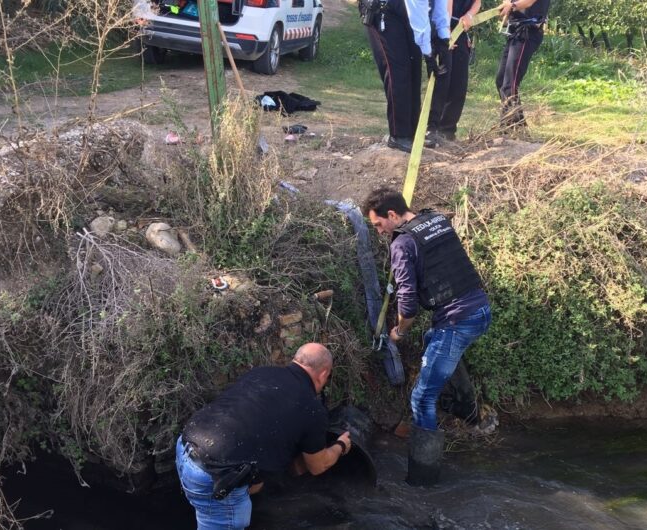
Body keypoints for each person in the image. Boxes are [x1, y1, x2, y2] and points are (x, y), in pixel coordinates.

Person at [361, 187, 491, 486]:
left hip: (458, 322)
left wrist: (398, 331)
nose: (380, 232)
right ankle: (469, 410)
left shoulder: (403, 243)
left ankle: (422, 478)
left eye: (379, 225)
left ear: (392, 215)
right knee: (433, 340)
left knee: (422, 397)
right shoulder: (436, 220)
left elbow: (408, 306)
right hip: (480, 310)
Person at [175, 343, 352, 530]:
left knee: (247, 488)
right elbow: (318, 466)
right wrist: (341, 445)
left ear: (297, 359)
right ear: (324, 374)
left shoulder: (261, 373)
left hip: (186, 447)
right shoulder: (311, 408)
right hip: (217, 474)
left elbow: (248, 425)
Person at [359, 0, 452, 153]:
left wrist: (443, 39)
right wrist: (428, 53)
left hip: (406, 13)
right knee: (398, 71)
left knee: (414, 68)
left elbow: (439, 5)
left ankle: (412, 132)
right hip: (384, 11)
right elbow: (418, 8)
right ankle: (399, 135)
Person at [426, 0, 482, 145]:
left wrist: (469, 15)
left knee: (459, 82)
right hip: (442, 24)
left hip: (461, 29)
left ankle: (447, 130)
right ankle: (431, 128)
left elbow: (477, 2)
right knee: (442, 80)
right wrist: (446, 32)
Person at [495, 0, 551, 129]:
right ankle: (519, 126)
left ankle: (509, 129)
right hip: (515, 31)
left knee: (510, 84)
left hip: (528, 32)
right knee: (501, 80)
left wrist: (513, 6)